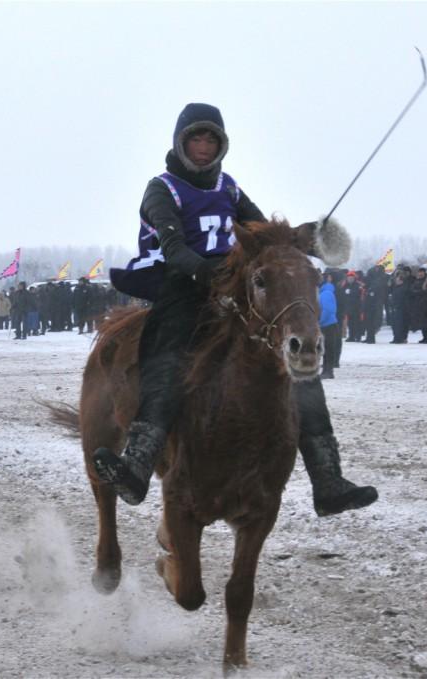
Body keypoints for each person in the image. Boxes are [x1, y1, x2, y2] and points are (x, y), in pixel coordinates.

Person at [94, 103, 376, 517]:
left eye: (211, 140)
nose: (204, 147)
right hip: (179, 286)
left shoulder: (228, 187)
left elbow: (263, 234)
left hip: (229, 287)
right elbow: (174, 249)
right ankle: (138, 459)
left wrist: (305, 238)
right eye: (197, 139)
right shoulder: (162, 189)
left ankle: (327, 476)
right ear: (181, 142)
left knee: (293, 362)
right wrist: (212, 274)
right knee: (169, 359)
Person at [318, 273, 339, 379]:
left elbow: (327, 310)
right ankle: (326, 370)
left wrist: (320, 321)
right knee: (326, 348)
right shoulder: (323, 292)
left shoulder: (326, 293)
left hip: (328, 325)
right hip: (327, 324)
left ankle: (328, 371)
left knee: (328, 349)